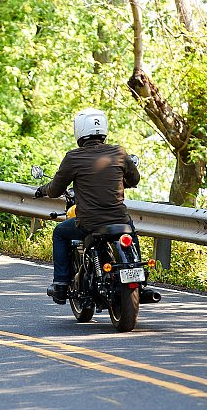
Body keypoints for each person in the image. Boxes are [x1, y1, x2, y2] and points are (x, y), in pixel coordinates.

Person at [33, 109, 140, 304]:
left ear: (79, 131)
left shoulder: (73, 158)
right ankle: (138, 276)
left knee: (59, 233)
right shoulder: (119, 152)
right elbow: (135, 179)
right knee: (130, 231)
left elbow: (56, 189)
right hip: (119, 219)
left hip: (90, 221)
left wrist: (42, 190)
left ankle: (61, 283)